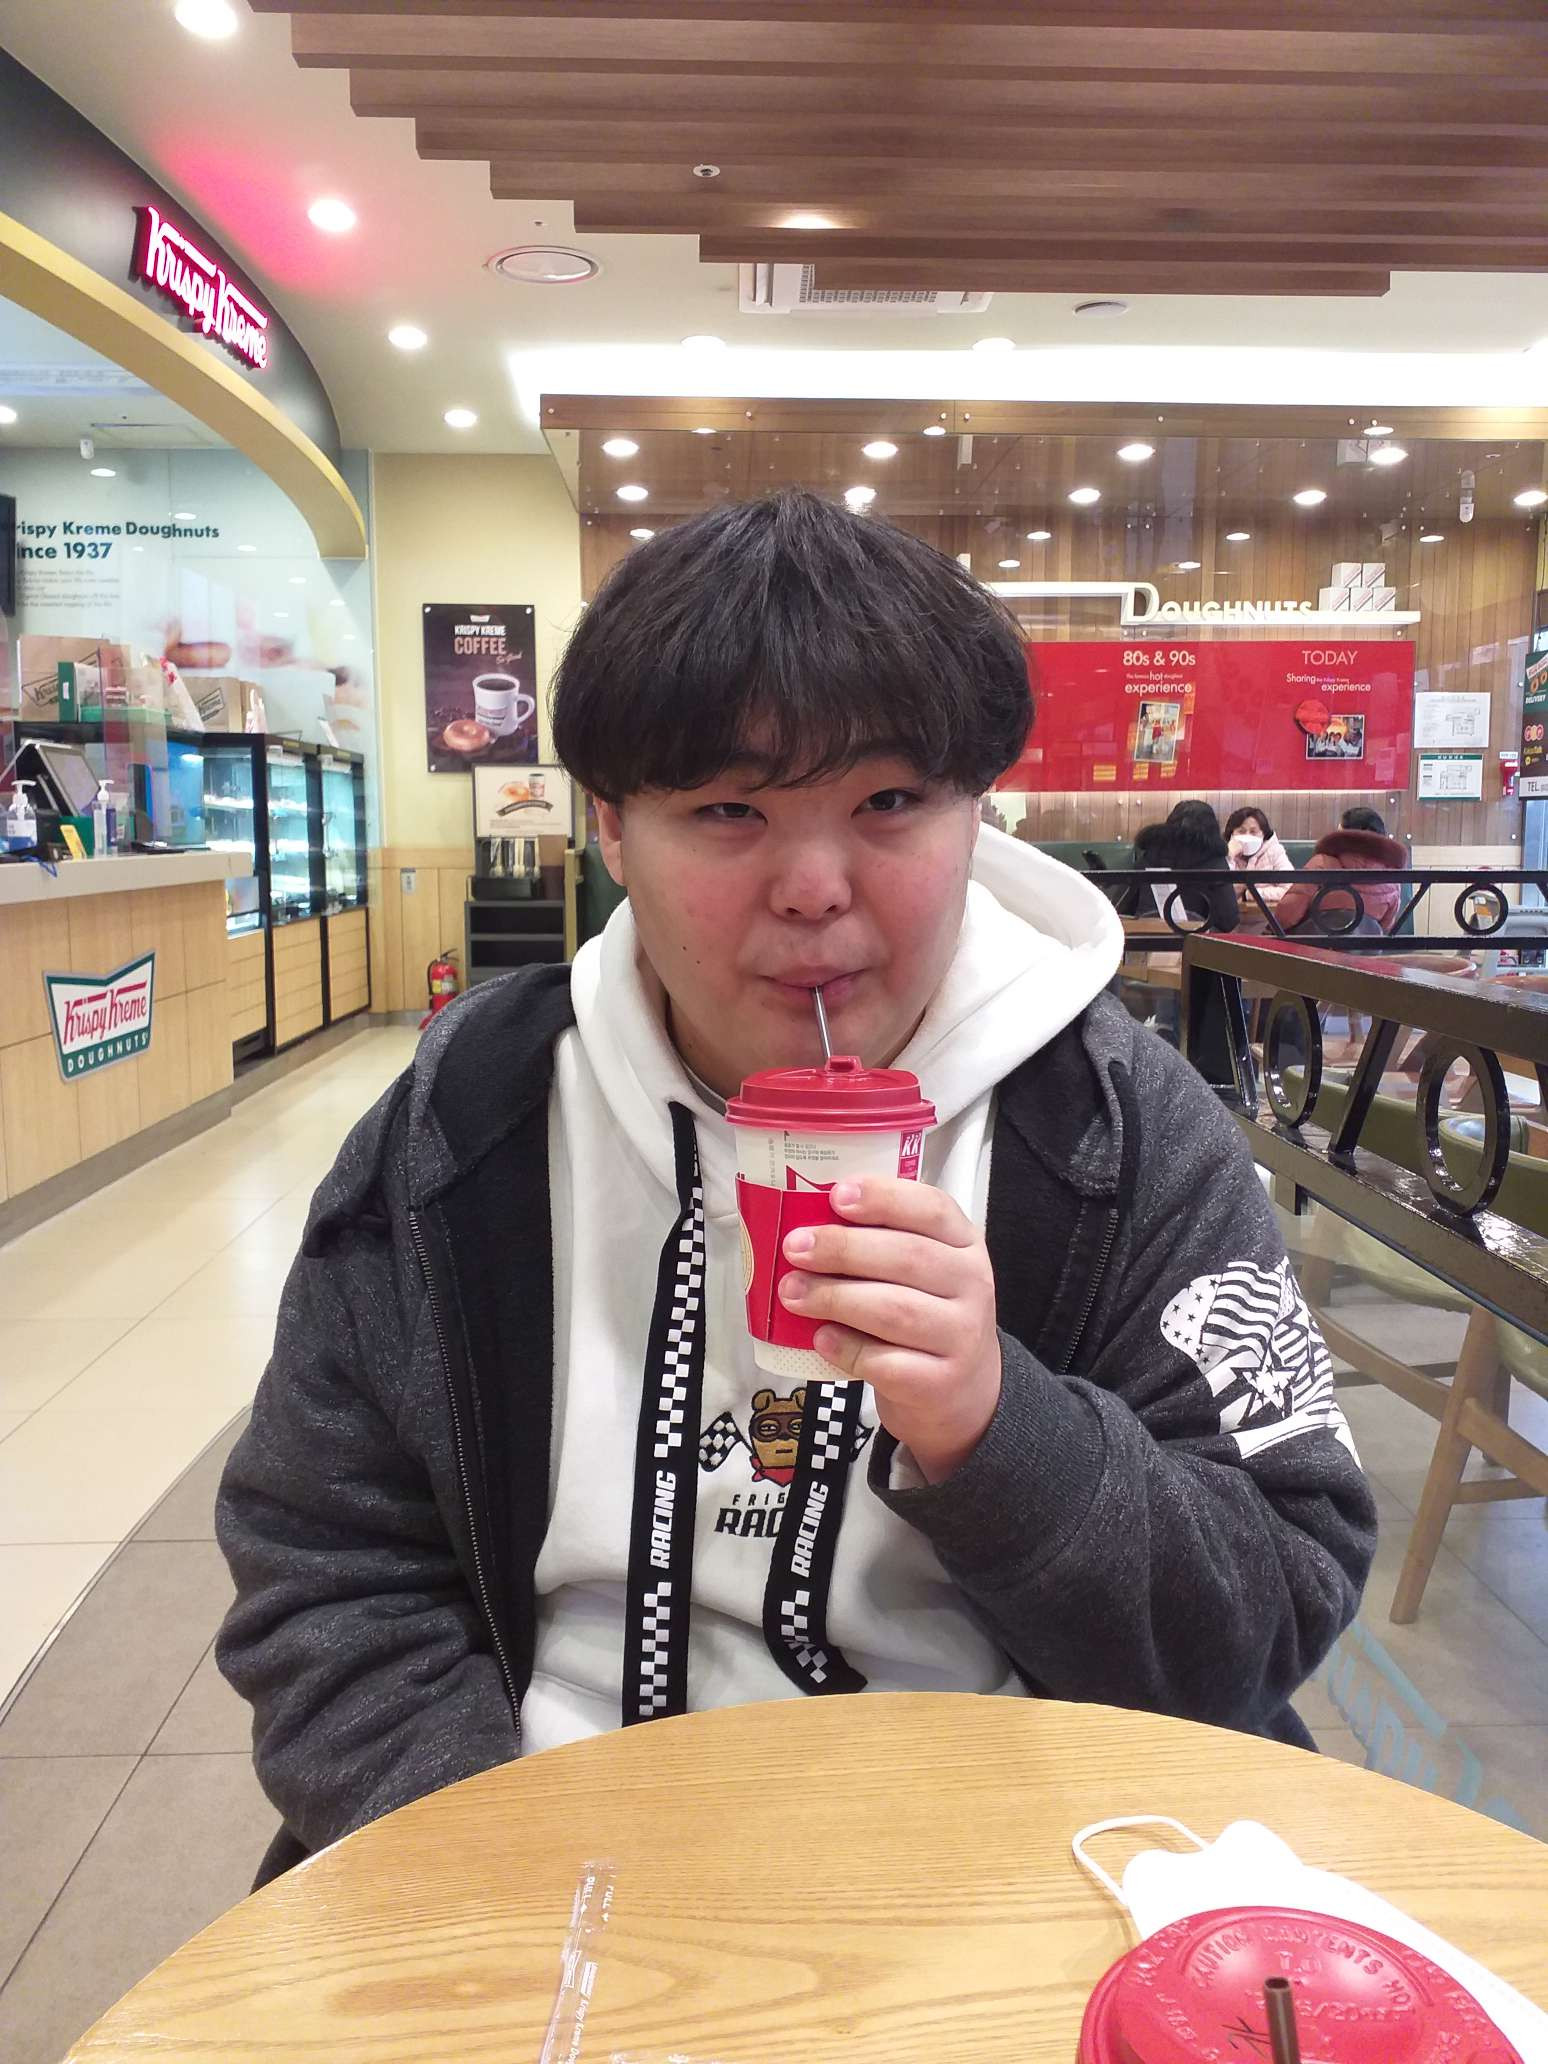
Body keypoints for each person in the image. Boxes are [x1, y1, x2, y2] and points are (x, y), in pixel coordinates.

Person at [214, 491, 1375, 1887]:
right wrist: (498, 1878)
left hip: (1016, 1856)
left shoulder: (1124, 1132)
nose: (815, 888)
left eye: (889, 803)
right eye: (728, 810)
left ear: (976, 812)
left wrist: (997, 1430)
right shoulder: (465, 1122)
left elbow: (1271, 1602)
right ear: (611, 829)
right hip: (540, 1840)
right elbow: (327, 1570)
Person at [1275, 806, 1407, 935]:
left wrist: (1271, 927)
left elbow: (1287, 915)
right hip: (1365, 947)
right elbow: (1386, 926)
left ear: (1342, 834)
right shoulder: (1391, 877)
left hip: (1316, 946)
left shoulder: (1322, 863)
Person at [1224, 806, 1294, 916]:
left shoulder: (1275, 851)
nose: (1247, 836)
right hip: (1230, 918)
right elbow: (1220, 892)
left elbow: (1290, 889)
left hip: (1266, 919)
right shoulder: (1224, 853)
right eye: (1241, 831)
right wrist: (1229, 856)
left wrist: (1249, 894)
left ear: (1263, 834)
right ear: (1232, 834)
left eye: (1253, 832)